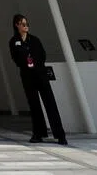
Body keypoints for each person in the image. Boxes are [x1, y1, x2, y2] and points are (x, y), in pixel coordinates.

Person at [8, 14, 67, 145]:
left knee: (50, 103)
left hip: (40, 74)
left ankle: (59, 134)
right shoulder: (14, 42)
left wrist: (36, 64)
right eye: (23, 24)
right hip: (27, 76)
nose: (26, 26)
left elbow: (42, 55)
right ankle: (38, 133)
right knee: (34, 105)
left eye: (27, 24)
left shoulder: (34, 40)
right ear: (17, 25)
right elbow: (15, 58)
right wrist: (26, 63)